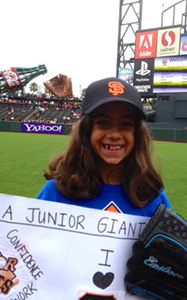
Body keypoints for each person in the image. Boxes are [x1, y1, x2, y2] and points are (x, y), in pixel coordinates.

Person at [37, 77, 171, 217]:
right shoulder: (57, 191)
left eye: (125, 124)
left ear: (136, 134)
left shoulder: (151, 195)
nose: (114, 135)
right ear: (87, 130)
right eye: (103, 123)